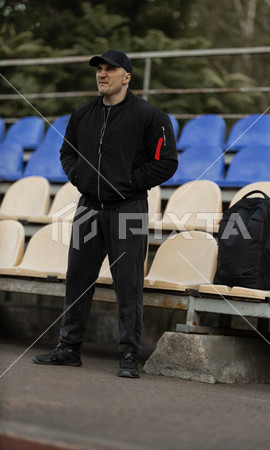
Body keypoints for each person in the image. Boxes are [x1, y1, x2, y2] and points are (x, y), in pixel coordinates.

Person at [32, 49, 178, 378]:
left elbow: (166, 163)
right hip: (88, 208)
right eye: (99, 69)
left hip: (127, 208)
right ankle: (68, 349)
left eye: (110, 69)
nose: (102, 74)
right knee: (78, 279)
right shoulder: (83, 114)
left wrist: (128, 184)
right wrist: (83, 180)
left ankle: (128, 355)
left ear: (126, 76)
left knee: (128, 282)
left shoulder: (149, 116)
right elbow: (66, 153)